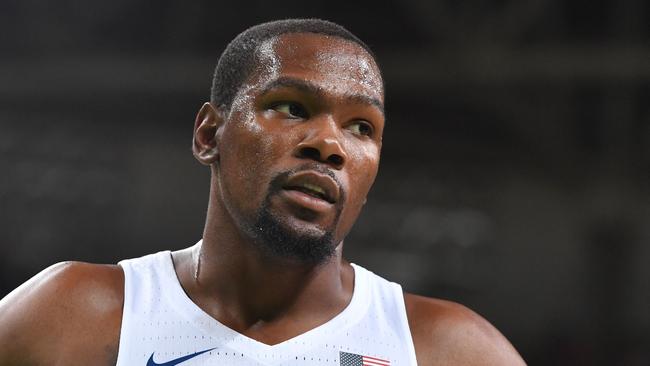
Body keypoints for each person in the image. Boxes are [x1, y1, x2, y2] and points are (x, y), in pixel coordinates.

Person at [0, 19, 525, 365]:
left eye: (361, 126)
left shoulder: (448, 350)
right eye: (292, 107)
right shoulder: (74, 318)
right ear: (210, 135)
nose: (329, 144)